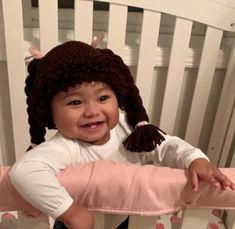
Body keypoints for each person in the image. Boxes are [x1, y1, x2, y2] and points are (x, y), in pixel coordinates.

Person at [9, 41, 235, 229]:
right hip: (78, 224)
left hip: (129, 217)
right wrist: (70, 212)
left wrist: (195, 159)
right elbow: (24, 171)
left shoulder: (131, 130)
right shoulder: (64, 146)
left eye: (103, 98)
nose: (92, 111)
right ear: (50, 113)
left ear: (118, 97)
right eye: (75, 102)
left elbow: (166, 145)